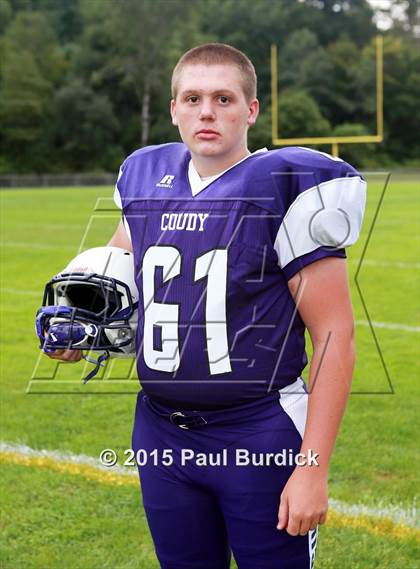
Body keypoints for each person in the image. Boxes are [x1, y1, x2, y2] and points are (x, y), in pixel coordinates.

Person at [48, 43, 366, 568]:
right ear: (173, 109)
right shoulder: (146, 178)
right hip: (159, 433)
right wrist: (82, 330)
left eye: (223, 98)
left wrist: (311, 467)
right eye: (192, 98)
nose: (207, 111)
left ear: (251, 110)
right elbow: (120, 265)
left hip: (259, 431)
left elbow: (336, 335)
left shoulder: (286, 186)